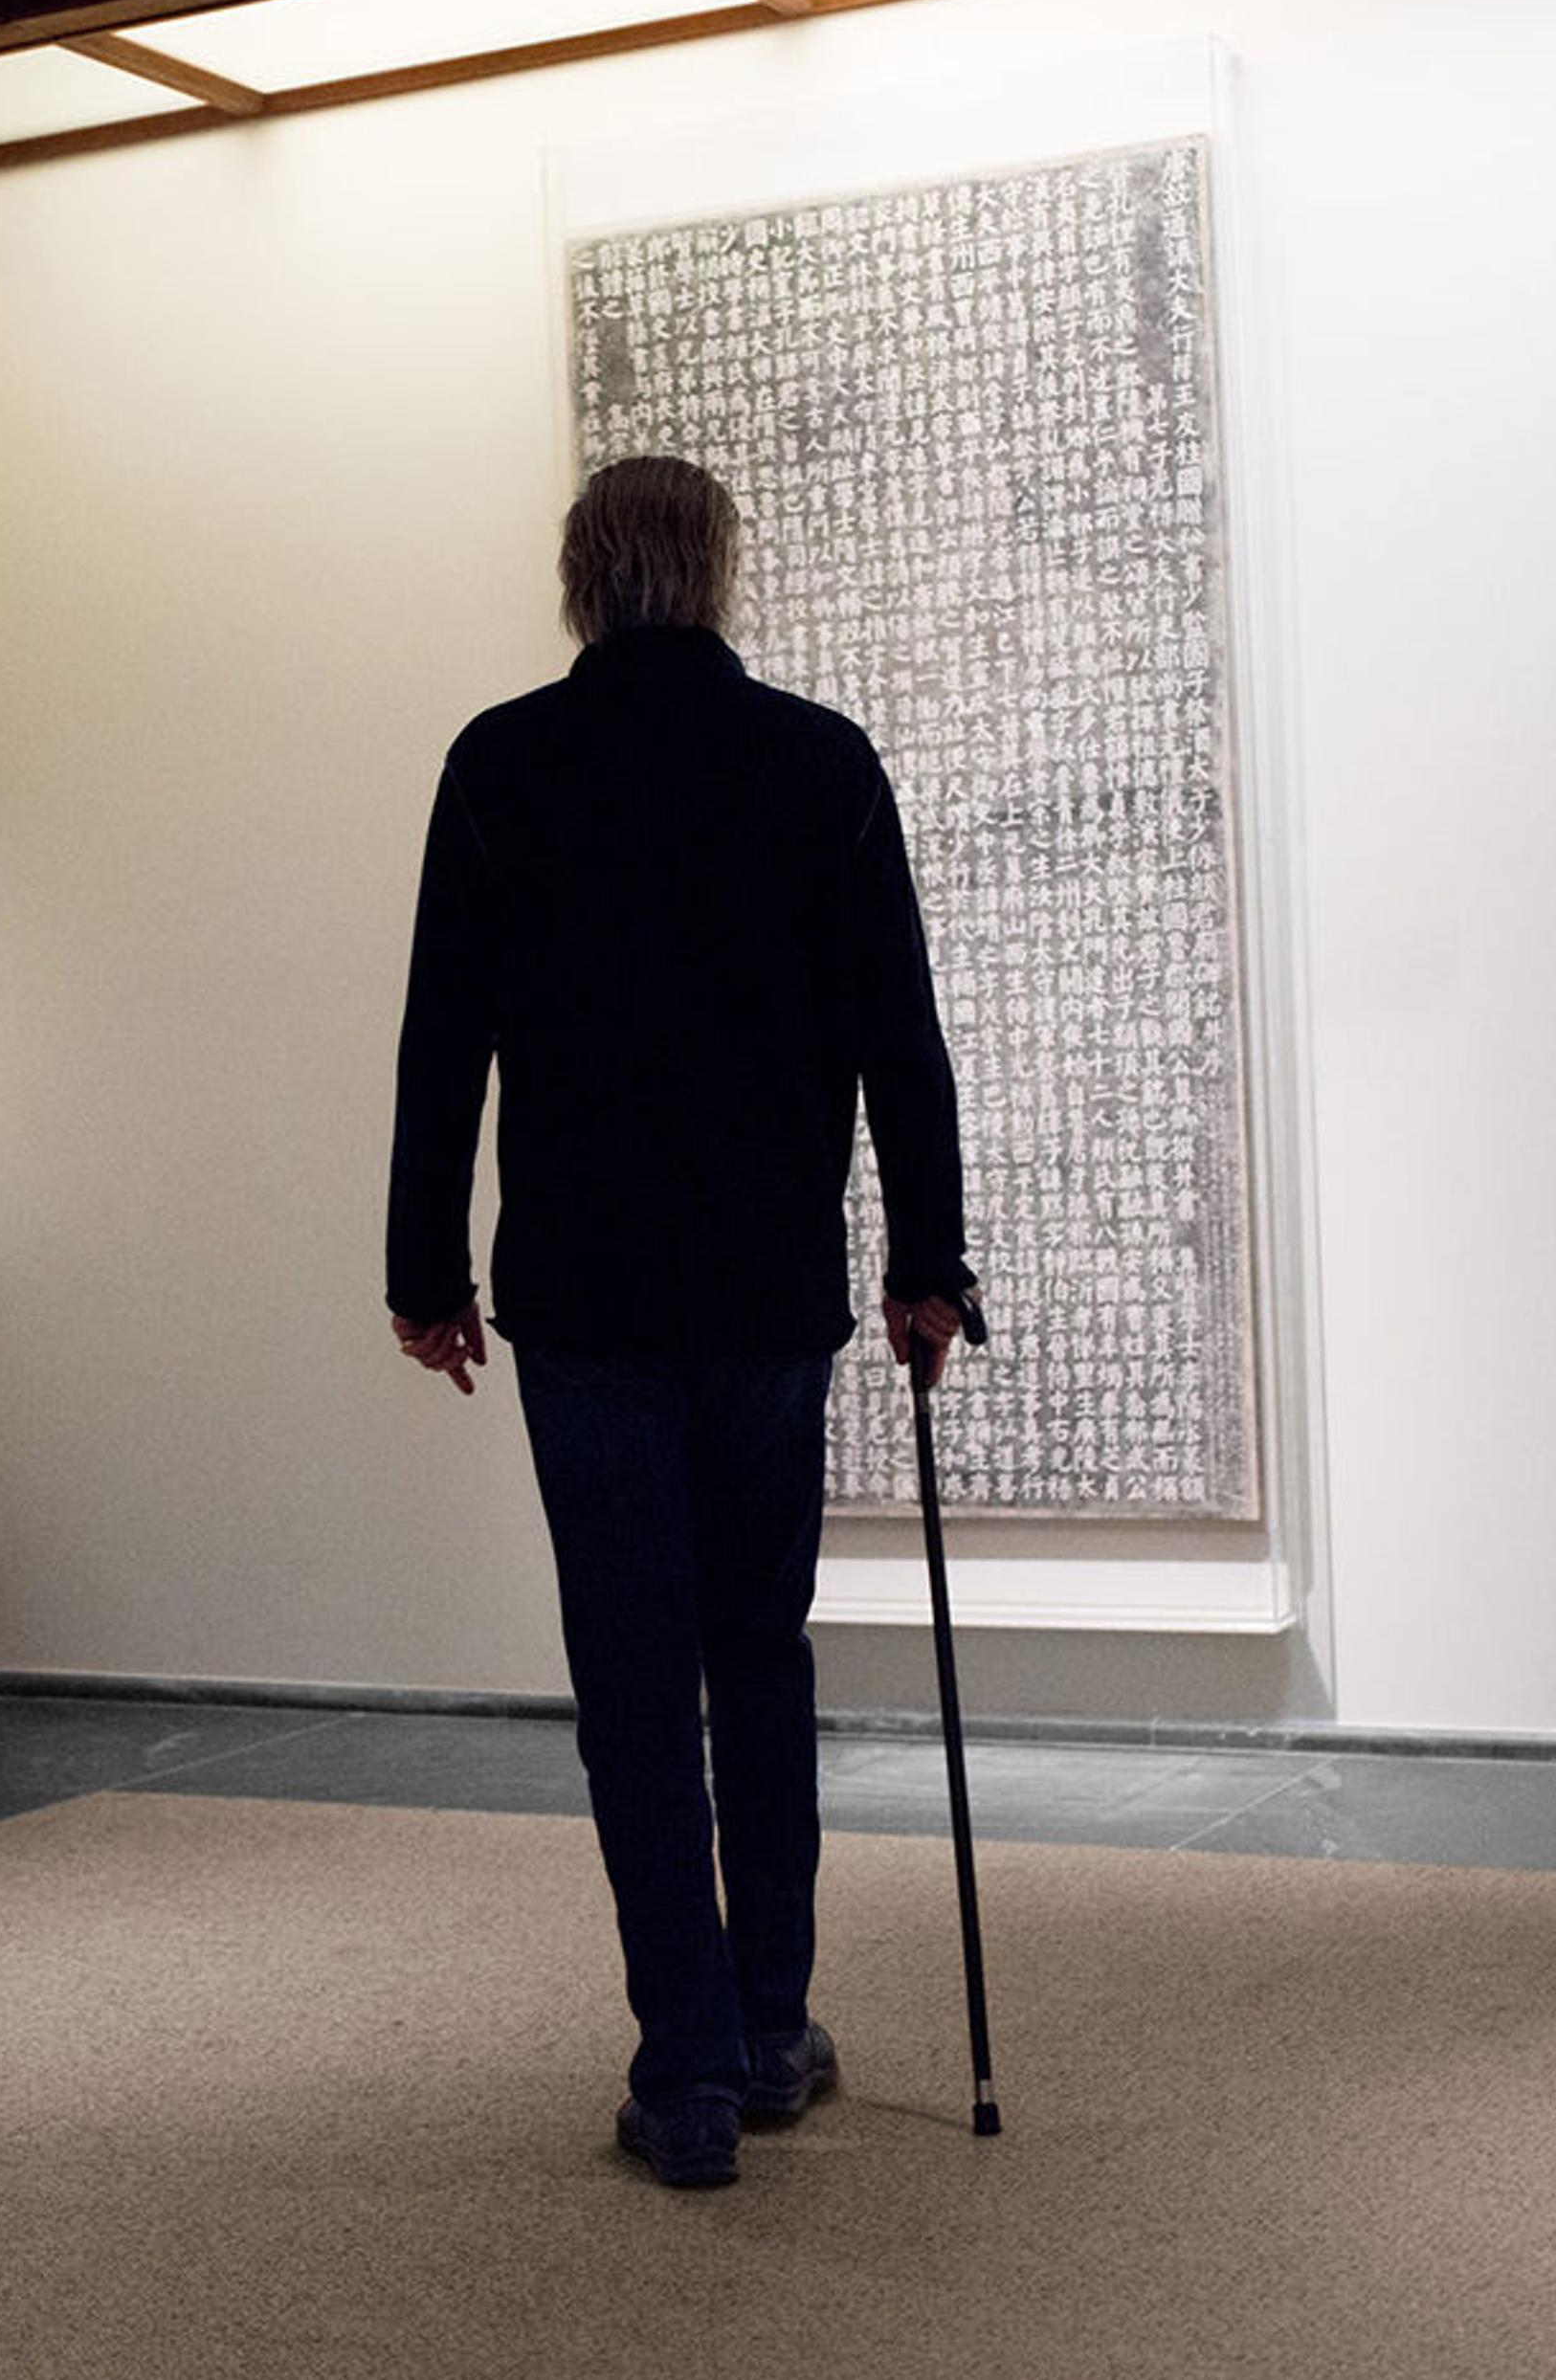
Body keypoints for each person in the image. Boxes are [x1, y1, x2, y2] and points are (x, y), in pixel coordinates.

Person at [384, 456, 975, 2191]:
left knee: (632, 1679)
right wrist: (928, 1260)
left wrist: (425, 1273)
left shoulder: (503, 763)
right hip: (768, 1289)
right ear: (718, 571)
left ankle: (690, 2065)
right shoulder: (817, 761)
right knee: (759, 1651)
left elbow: (443, 1042)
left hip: (584, 1299)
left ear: (581, 580)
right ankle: (774, 2022)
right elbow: (900, 1037)